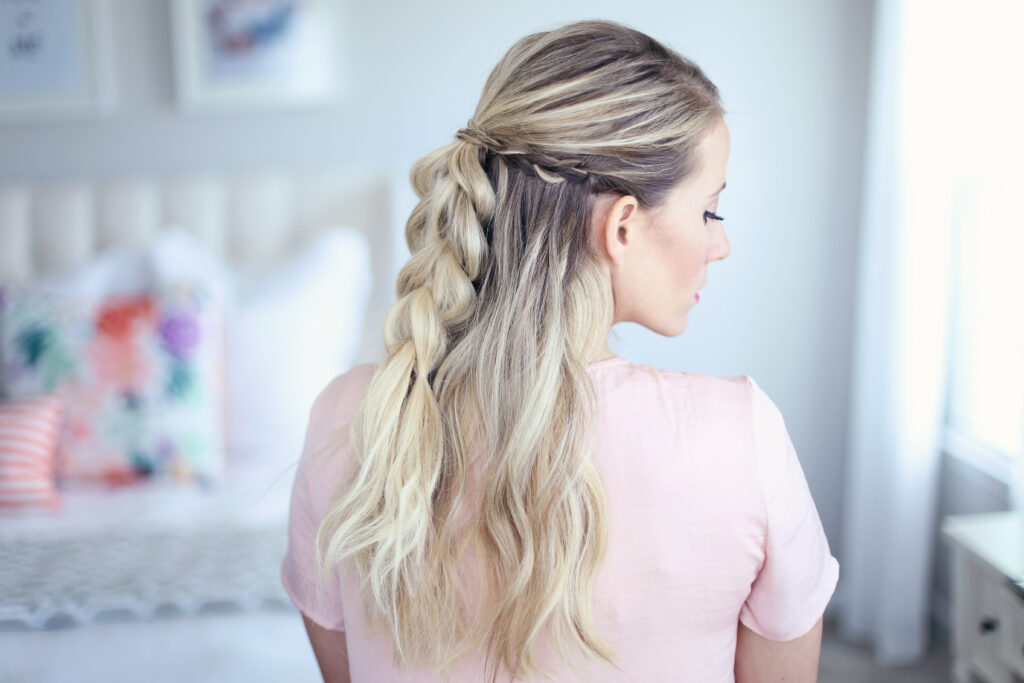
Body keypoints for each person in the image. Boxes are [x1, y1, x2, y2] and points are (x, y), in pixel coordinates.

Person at [280, 18, 839, 683]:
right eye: (710, 211)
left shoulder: (347, 418)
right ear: (622, 226)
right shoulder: (742, 437)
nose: (720, 244)